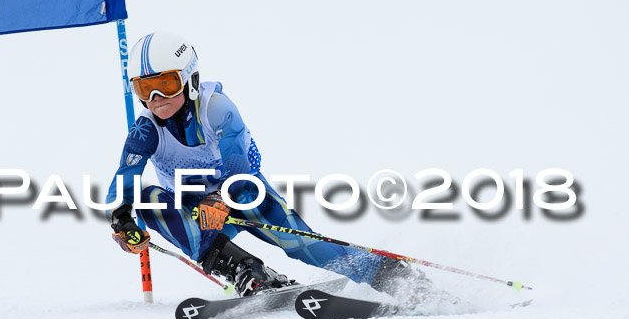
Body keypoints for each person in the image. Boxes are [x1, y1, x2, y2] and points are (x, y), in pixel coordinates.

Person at [105, 31, 415, 297]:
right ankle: (245, 269)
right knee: (149, 202)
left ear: (189, 79)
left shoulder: (215, 108)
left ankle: (393, 276)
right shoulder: (145, 130)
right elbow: (124, 179)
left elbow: (239, 168)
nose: (157, 98)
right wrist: (121, 219)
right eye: (145, 89)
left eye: (167, 85)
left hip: (242, 193)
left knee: (304, 245)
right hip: (196, 212)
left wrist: (219, 199)